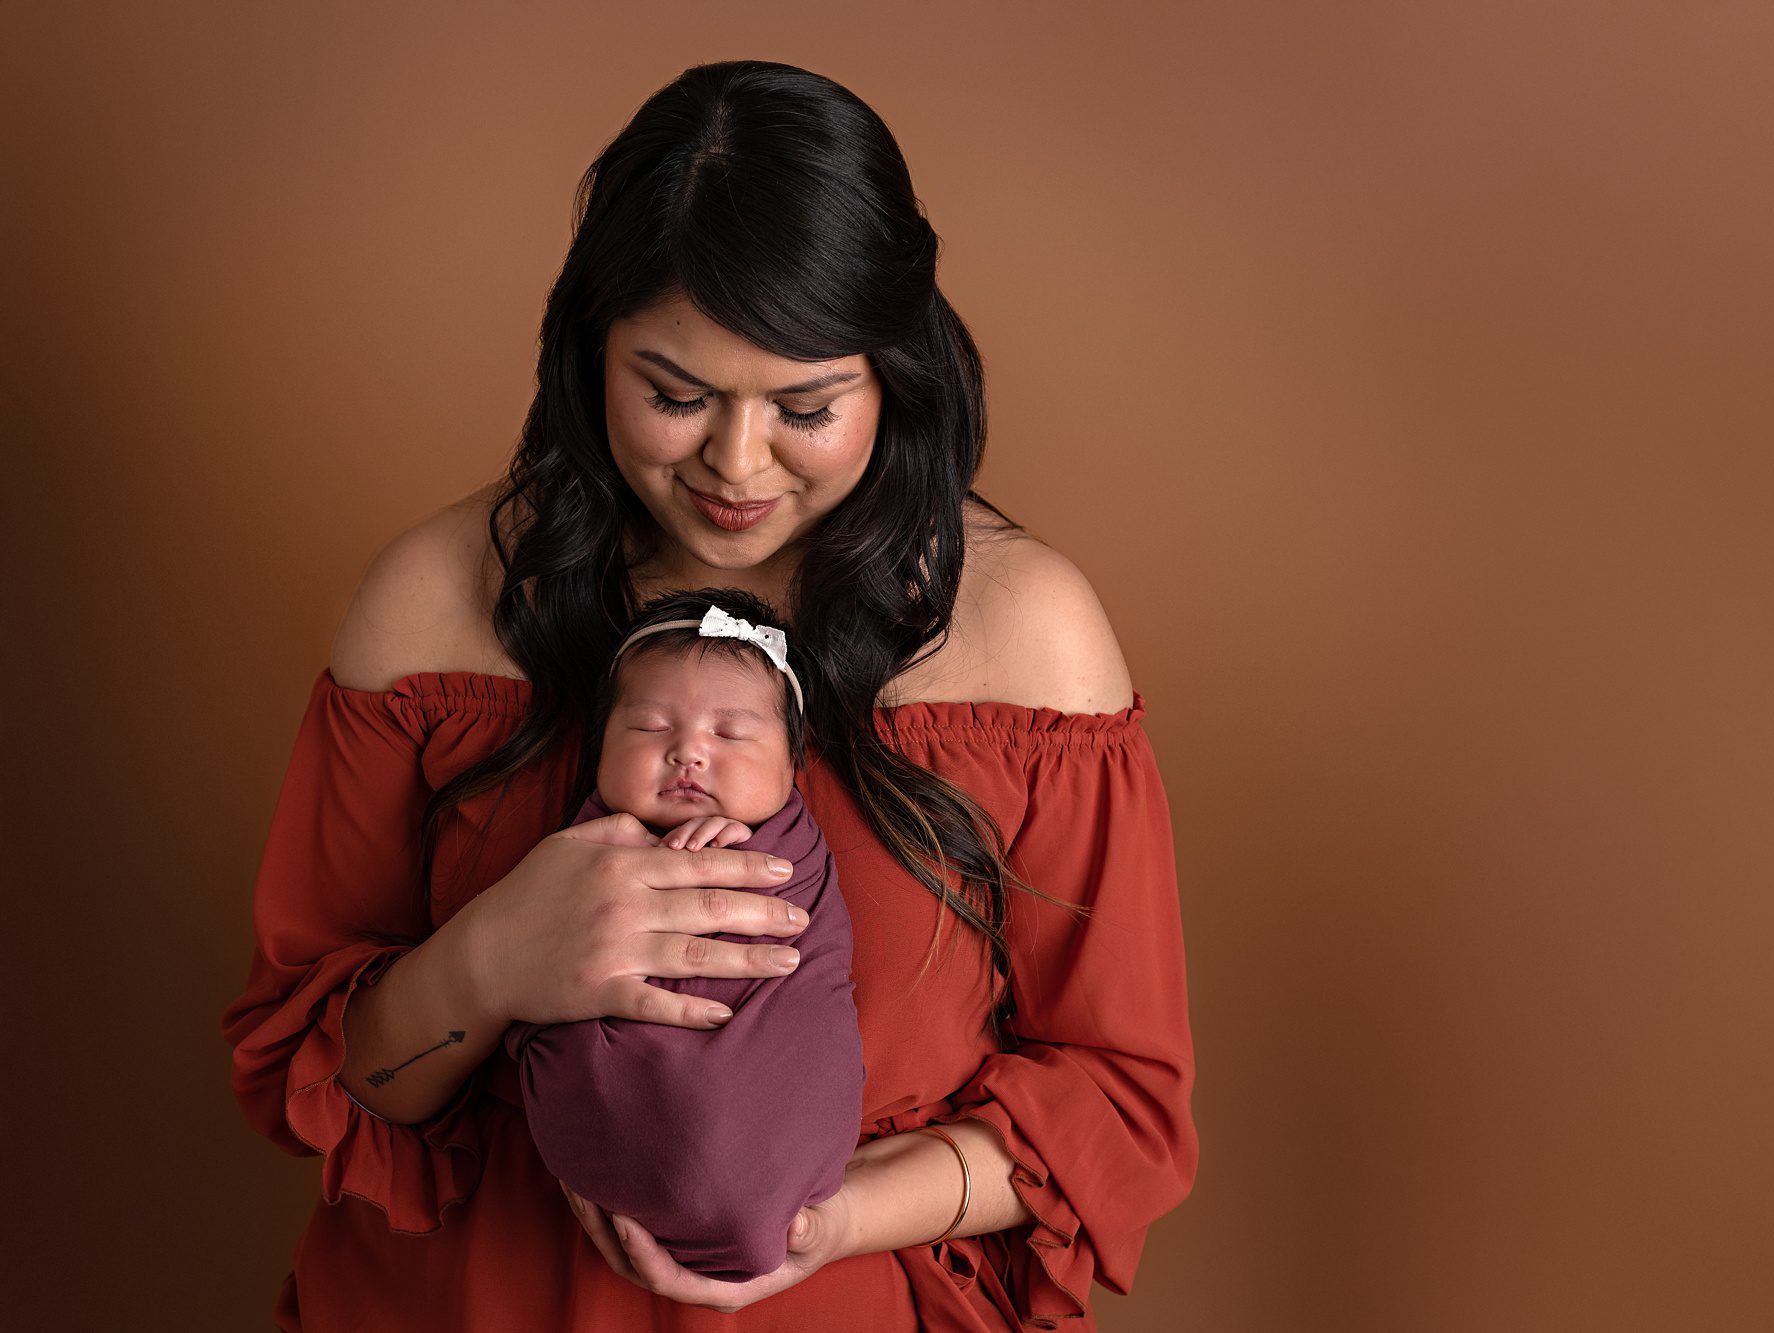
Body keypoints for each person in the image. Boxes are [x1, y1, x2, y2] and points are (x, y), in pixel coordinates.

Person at [220, 57, 1196, 1333]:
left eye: (804, 406)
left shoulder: (1022, 637)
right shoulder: (432, 604)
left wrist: (831, 1219)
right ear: (590, 350)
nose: (735, 465)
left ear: (891, 374)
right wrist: (494, 959)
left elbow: (1119, 1099)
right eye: (674, 396)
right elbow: (321, 1080)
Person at [503, 589, 866, 1284]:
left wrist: (732, 855)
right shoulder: (575, 849)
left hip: (775, 1123)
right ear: (598, 745)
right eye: (647, 727)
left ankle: (740, 1191)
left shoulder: (793, 851)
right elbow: (541, 939)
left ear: (793, 766)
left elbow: (805, 953)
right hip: (594, 1163)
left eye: (730, 734)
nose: (688, 753)